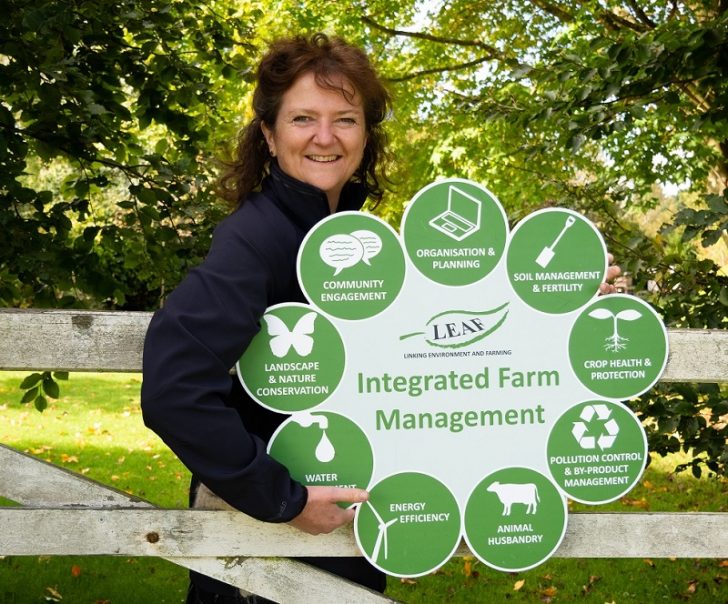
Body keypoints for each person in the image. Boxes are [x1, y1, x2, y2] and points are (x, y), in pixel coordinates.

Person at [140, 33, 391, 604]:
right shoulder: (256, 236)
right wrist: (284, 498)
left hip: (341, 521)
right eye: (304, 118)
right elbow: (175, 388)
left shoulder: (354, 241)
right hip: (264, 539)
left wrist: (554, 300)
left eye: (345, 119)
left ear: (365, 136)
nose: (325, 137)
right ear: (270, 136)